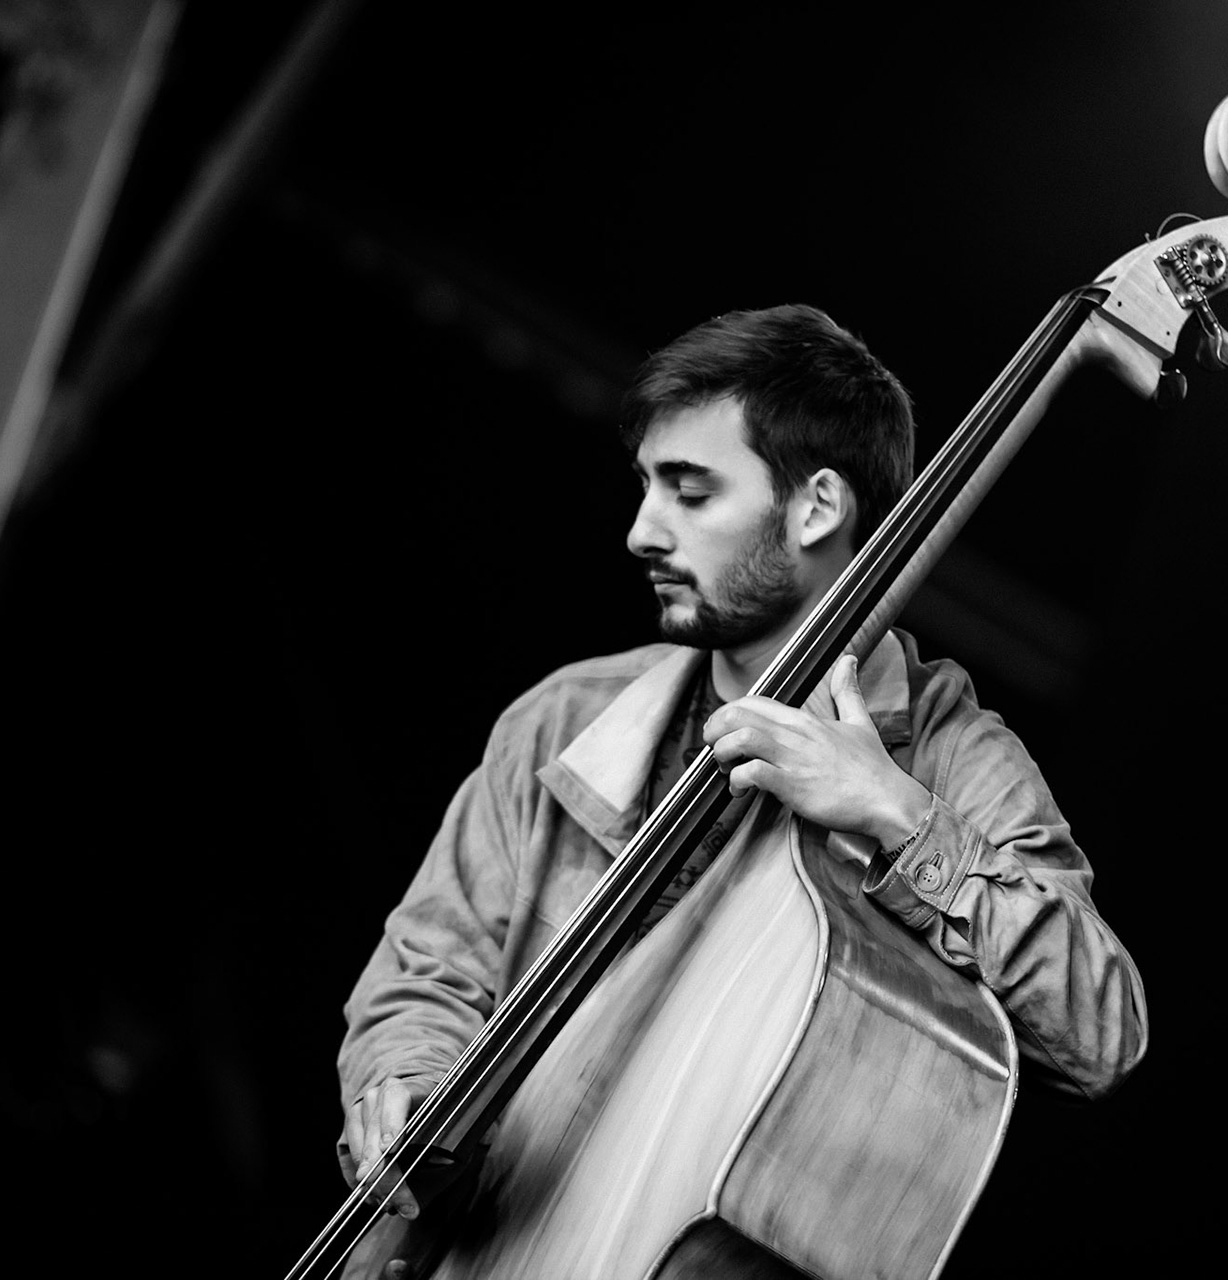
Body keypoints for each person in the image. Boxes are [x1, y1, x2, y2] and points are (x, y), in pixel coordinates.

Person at [334, 303, 1148, 1233]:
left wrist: (898, 813)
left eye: (689, 491)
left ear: (817, 508)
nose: (642, 532)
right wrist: (405, 1086)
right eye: (645, 486)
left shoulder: (952, 754)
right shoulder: (564, 717)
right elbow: (429, 970)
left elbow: (1099, 1033)